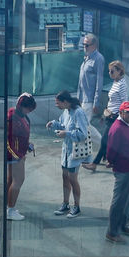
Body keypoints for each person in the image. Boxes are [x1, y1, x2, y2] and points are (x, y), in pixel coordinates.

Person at [86, 60, 129, 173]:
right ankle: (109, 159)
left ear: (120, 71)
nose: (110, 73)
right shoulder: (115, 82)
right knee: (110, 141)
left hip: (115, 117)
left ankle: (95, 163)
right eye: (109, 71)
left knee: (105, 140)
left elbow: (124, 101)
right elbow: (112, 100)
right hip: (110, 115)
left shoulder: (122, 84)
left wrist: (122, 117)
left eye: (112, 71)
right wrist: (104, 113)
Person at [103, 100, 129, 243]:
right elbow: (111, 150)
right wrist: (112, 162)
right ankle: (112, 232)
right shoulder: (117, 128)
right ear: (121, 113)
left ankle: (123, 224)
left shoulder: (128, 124)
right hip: (124, 170)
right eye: (128, 112)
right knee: (119, 201)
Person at [47, 90, 89, 219]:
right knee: (65, 177)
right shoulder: (66, 112)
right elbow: (62, 124)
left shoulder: (78, 113)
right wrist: (53, 124)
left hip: (75, 152)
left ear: (65, 101)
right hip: (66, 151)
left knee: (72, 179)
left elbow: (82, 133)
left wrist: (67, 133)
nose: (56, 105)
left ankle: (76, 206)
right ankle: (65, 203)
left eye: (57, 103)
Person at [5, 93, 37, 218]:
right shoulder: (13, 117)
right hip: (14, 155)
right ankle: (10, 210)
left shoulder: (18, 115)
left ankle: (9, 207)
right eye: (28, 108)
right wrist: (17, 155)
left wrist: (27, 145)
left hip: (17, 153)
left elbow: (18, 137)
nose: (29, 111)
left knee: (12, 180)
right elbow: (8, 140)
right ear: (21, 105)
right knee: (18, 180)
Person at [77, 33, 105, 128]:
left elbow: (99, 81)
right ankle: (99, 141)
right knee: (84, 126)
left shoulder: (98, 59)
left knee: (83, 126)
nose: (84, 47)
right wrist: (79, 98)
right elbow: (81, 81)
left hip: (89, 100)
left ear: (94, 46)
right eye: (84, 45)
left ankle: (100, 141)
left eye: (87, 45)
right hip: (83, 99)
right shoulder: (86, 58)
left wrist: (96, 102)